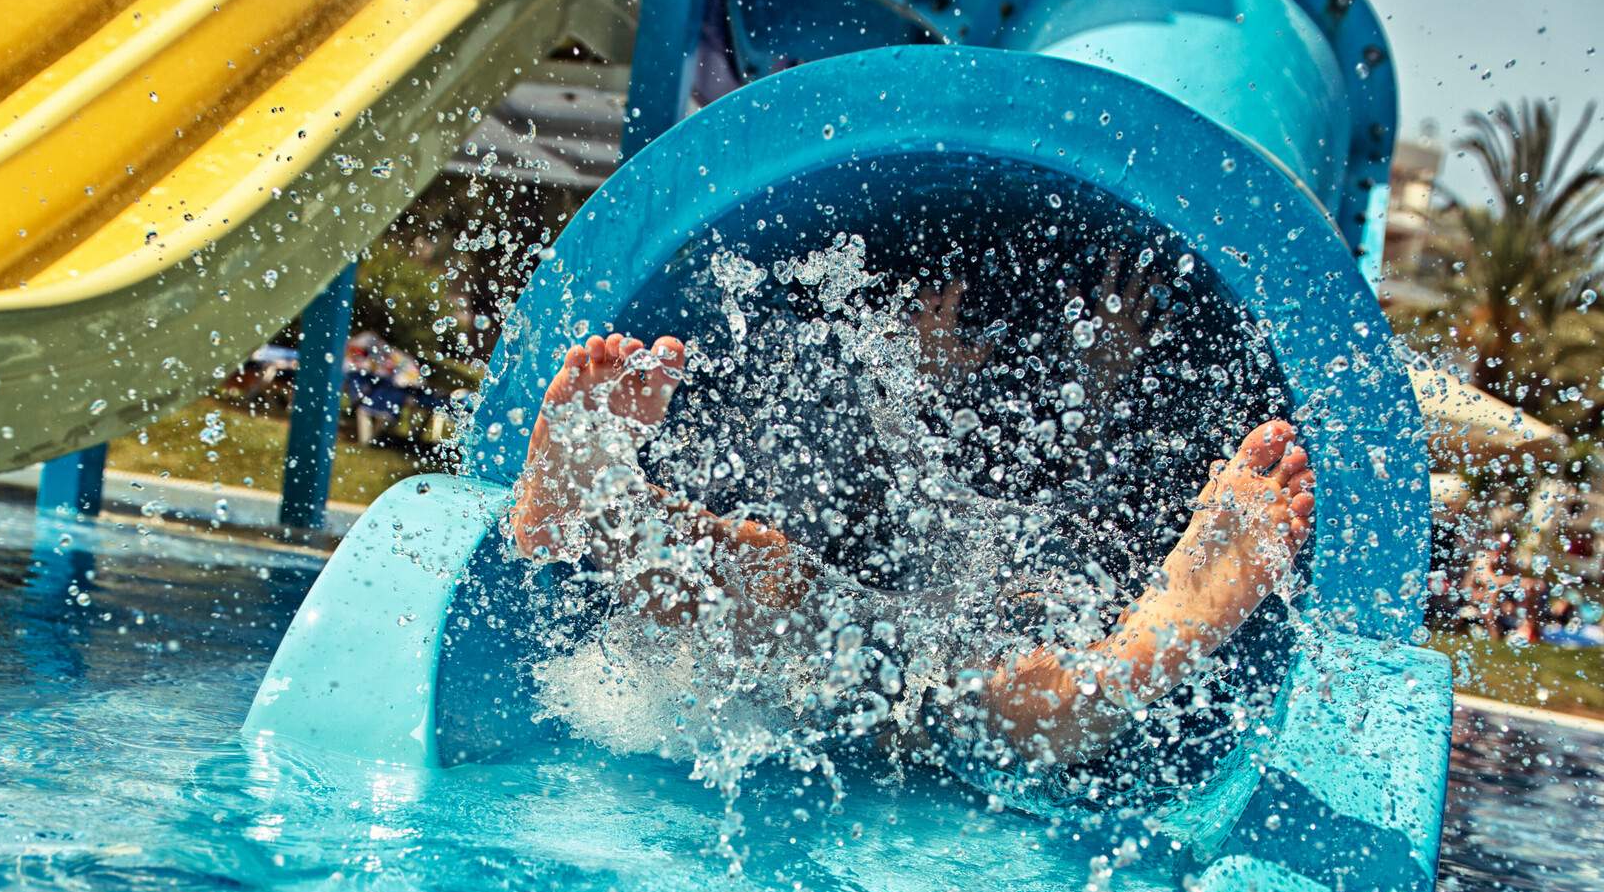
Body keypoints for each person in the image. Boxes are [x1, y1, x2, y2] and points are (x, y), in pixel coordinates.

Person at [506, 328, 1315, 772]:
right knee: (771, 572)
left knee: (1004, 681)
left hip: (971, 646)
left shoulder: (1027, 433)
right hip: (857, 654)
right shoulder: (833, 397)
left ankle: (1158, 631)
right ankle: (601, 508)